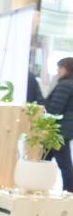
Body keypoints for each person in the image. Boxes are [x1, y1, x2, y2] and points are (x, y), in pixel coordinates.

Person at [44, 57, 73, 192]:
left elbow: (55, 109)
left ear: (67, 69)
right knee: (45, 159)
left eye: (60, 68)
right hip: (65, 129)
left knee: (63, 163)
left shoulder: (64, 85)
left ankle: (69, 190)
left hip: (58, 130)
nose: (57, 71)